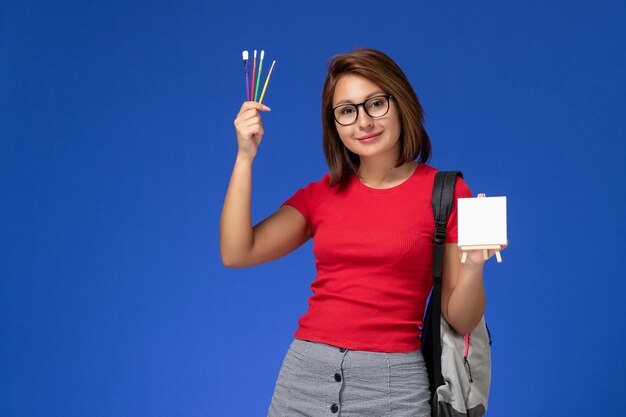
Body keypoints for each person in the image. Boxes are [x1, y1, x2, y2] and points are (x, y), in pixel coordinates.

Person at [220, 48, 506, 417]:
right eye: (346, 111)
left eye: (375, 104)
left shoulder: (447, 194)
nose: (363, 122)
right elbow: (237, 252)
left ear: (400, 101)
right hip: (304, 378)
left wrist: (473, 267)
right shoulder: (320, 195)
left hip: (393, 388)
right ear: (334, 124)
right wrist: (245, 156)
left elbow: (461, 320)